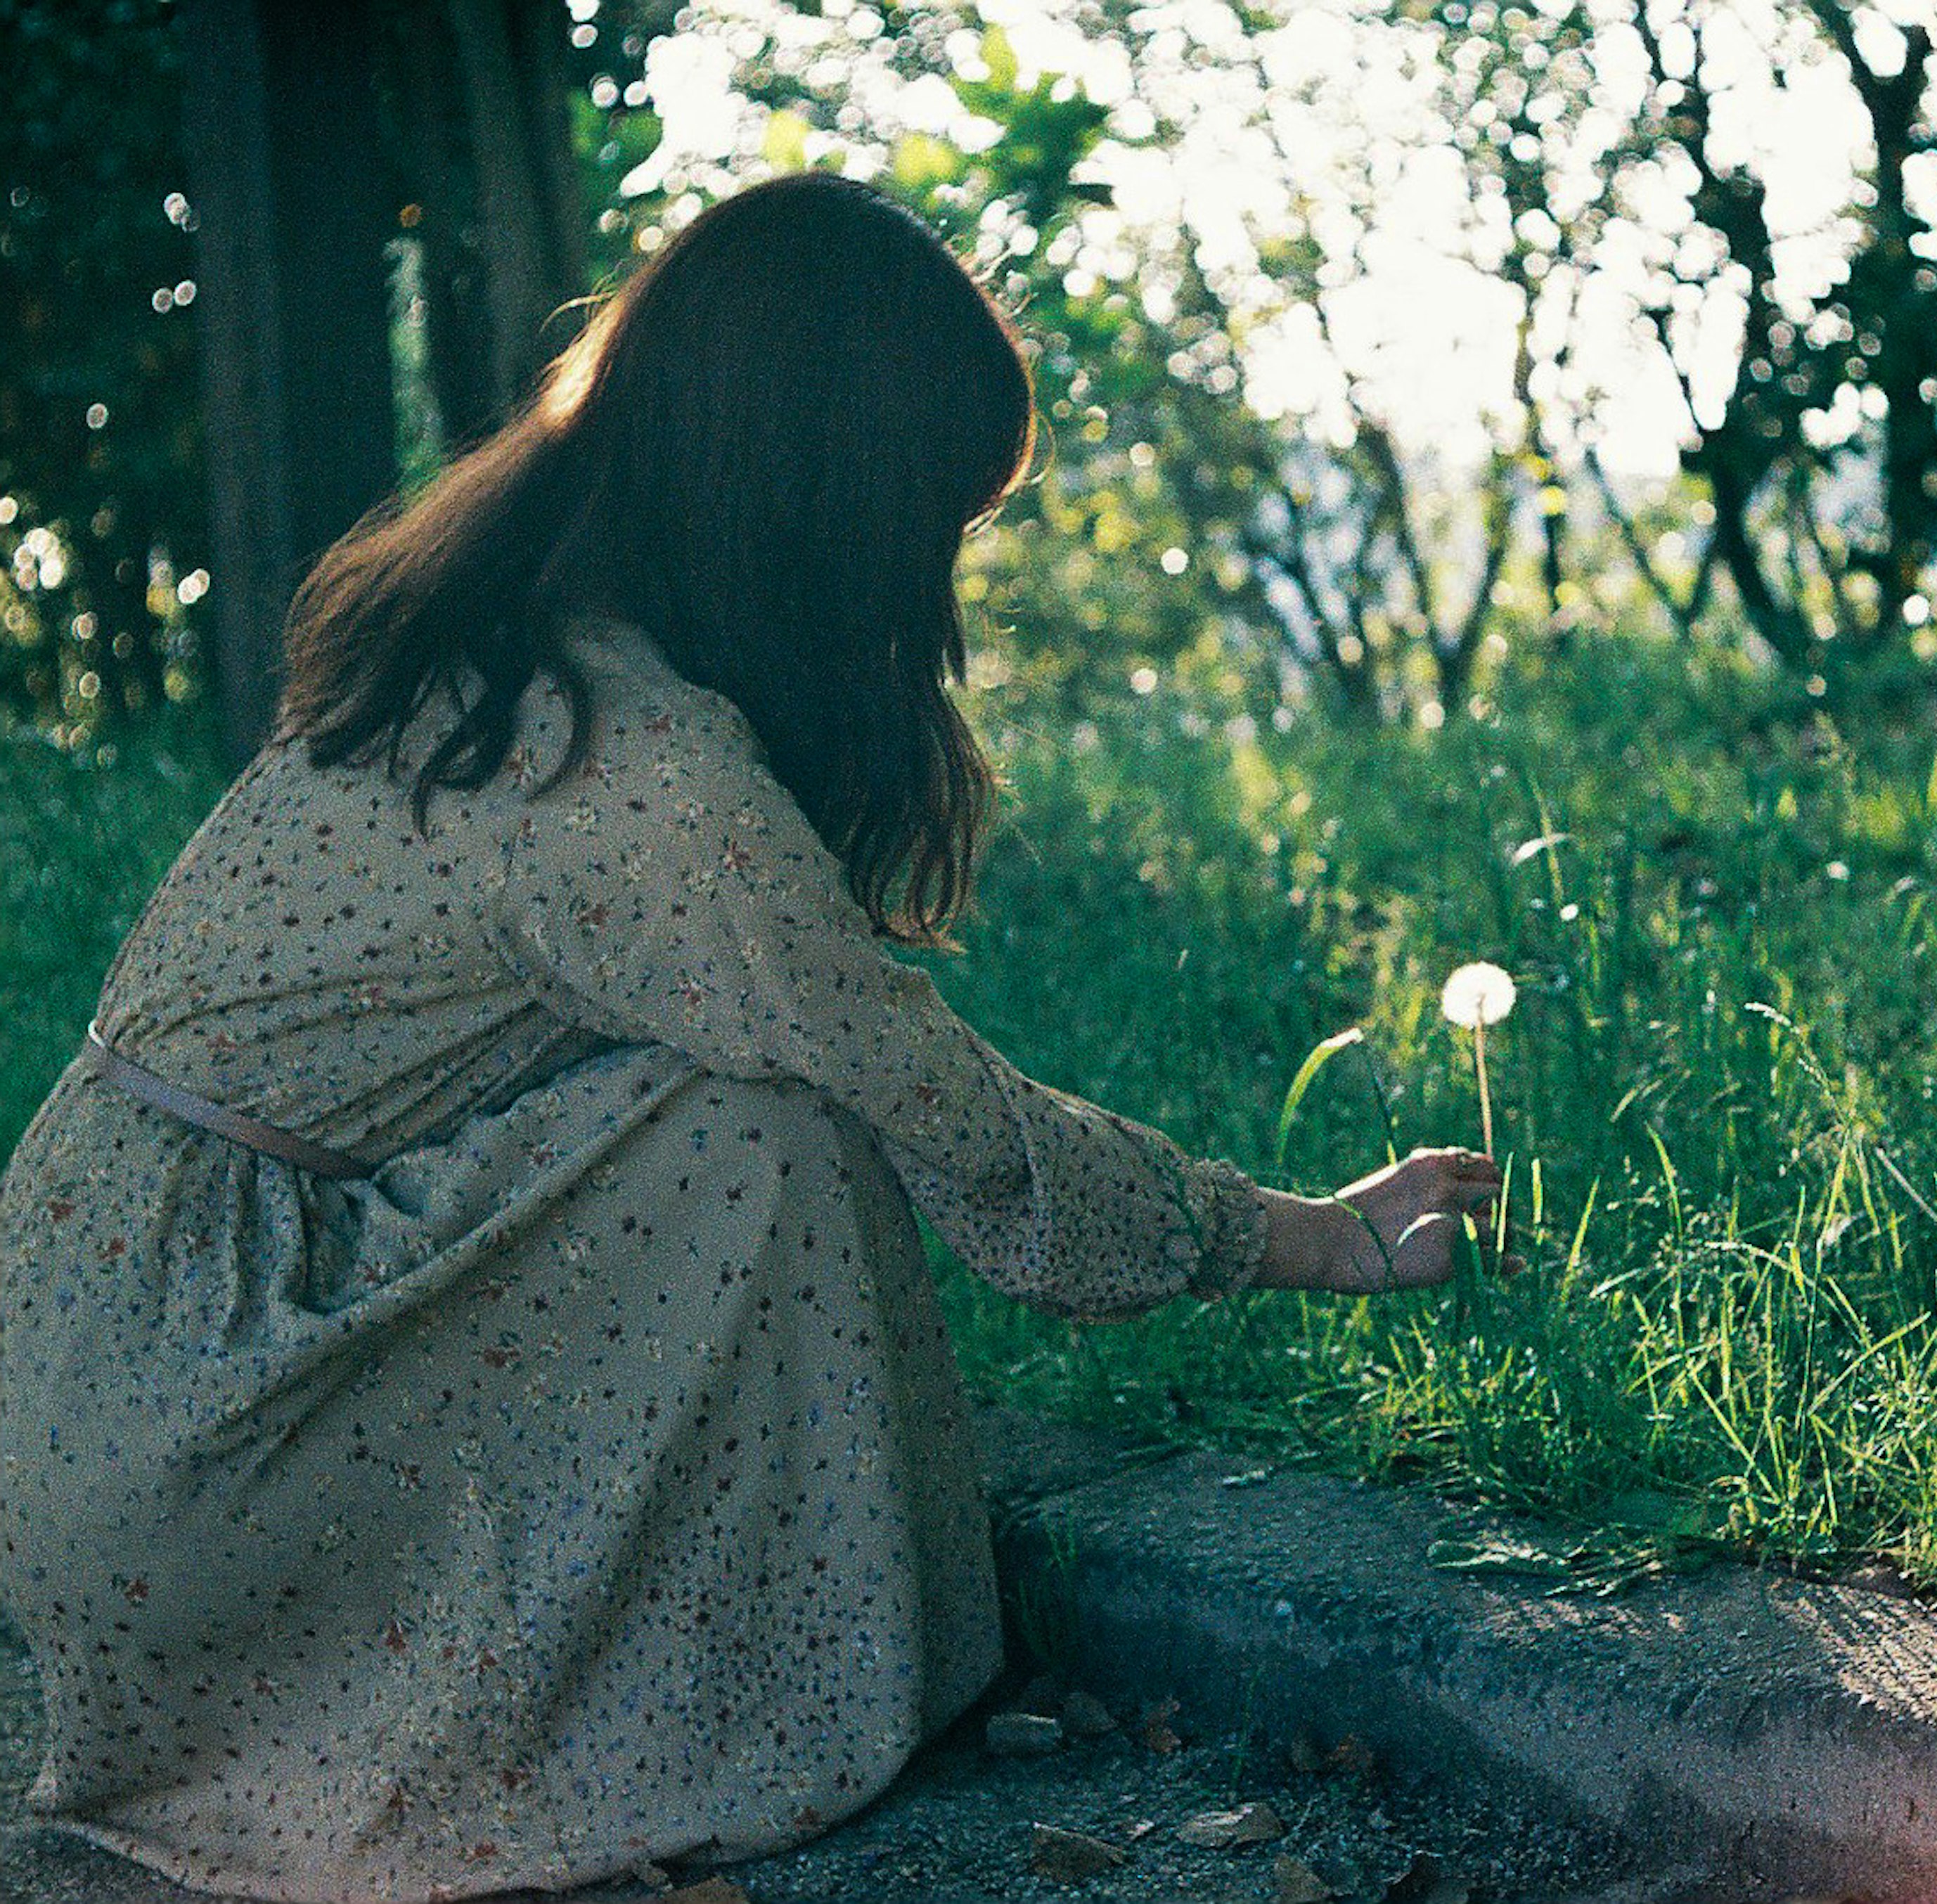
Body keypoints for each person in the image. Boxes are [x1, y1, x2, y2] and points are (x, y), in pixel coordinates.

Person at [0, 172, 1501, 1903]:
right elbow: (941, 1106)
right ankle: (755, 1699)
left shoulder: (487, 652)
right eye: (935, 513)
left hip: (96, 1362)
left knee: (732, 1100)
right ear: (826, 502)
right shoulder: (629, 764)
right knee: (773, 1135)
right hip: (200, 1414)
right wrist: (1306, 1236)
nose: (933, 579)